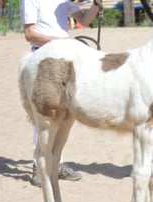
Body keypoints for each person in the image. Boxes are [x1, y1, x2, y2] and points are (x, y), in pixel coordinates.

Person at [20, 0, 102, 187]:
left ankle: (57, 163)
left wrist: (96, 5)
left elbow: (83, 20)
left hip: (65, 58)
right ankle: (37, 166)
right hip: (44, 59)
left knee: (65, 113)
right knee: (46, 115)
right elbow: (30, 34)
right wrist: (62, 42)